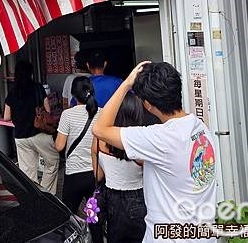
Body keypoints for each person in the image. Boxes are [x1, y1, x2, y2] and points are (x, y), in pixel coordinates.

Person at [93, 62, 217, 243]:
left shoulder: (161, 138)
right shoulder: (199, 127)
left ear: (148, 104)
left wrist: (127, 83)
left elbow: (100, 129)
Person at [92, 92, 147, 243]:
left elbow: (98, 176)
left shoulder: (98, 141)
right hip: (137, 198)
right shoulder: (141, 147)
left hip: (111, 199)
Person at [55, 76, 103, 243]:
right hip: (95, 175)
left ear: (74, 95)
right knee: (94, 219)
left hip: (74, 176)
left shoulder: (67, 114)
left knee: (68, 218)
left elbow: (59, 146)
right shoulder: (102, 112)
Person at [4, 60, 60, 194]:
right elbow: (47, 110)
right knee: (52, 162)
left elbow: (6, 117)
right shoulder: (37, 87)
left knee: (28, 172)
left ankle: (34, 197)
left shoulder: (12, 92)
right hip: (39, 134)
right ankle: (46, 194)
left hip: (20, 137)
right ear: (31, 73)